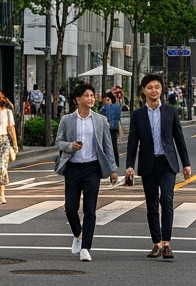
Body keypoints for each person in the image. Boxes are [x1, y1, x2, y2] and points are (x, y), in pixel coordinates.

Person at [125, 73, 192, 260]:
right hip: (148, 163)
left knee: (167, 201)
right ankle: (155, 243)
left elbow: (179, 139)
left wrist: (186, 163)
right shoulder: (138, 115)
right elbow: (132, 141)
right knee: (152, 204)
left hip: (167, 162)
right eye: (150, 87)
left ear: (161, 89)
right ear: (144, 91)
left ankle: (166, 243)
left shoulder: (170, 112)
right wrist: (129, 165)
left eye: (157, 87)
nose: (154, 90)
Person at [55, 83, 117, 263]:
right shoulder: (67, 120)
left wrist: (112, 169)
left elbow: (107, 145)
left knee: (90, 210)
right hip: (73, 167)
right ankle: (78, 234)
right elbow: (59, 142)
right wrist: (70, 146)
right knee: (70, 208)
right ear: (77, 99)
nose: (91, 98)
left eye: (92, 95)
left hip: (92, 168)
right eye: (87, 95)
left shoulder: (99, 120)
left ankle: (85, 248)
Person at [99, 94, 123, 165]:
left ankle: (113, 163)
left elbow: (117, 120)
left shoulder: (109, 108)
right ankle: (114, 163)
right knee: (110, 147)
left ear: (111, 100)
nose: (106, 102)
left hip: (111, 130)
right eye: (105, 101)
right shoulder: (115, 108)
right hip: (109, 130)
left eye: (108, 100)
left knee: (112, 147)